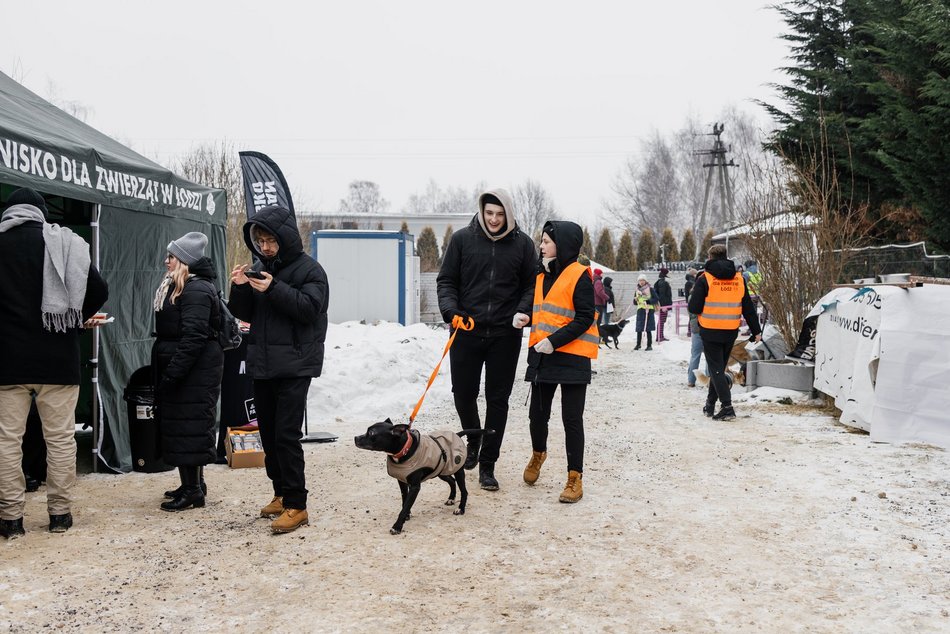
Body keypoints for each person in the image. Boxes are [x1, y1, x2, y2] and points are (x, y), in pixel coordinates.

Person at [0, 187, 108, 539]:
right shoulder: (65, 243)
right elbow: (99, 289)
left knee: (6, 441)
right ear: (41, 212)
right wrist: (74, 318)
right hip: (57, 360)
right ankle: (59, 514)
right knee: (61, 440)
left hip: (7, 362)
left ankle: (11, 518)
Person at [228, 205, 329, 534]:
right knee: (268, 435)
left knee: (286, 435)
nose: (266, 247)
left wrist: (273, 288)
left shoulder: (311, 271)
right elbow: (246, 315)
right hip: (264, 364)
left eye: (271, 240)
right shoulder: (259, 268)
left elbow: (310, 309)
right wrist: (241, 287)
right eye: (260, 241)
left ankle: (297, 505)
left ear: (285, 238)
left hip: (297, 365)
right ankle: (281, 493)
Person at [436, 188, 536, 491]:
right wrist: (451, 311)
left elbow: (532, 284)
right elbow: (446, 281)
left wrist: (523, 310)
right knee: (462, 393)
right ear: (482, 212)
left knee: (497, 400)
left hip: (505, 335)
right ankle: (475, 439)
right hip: (466, 330)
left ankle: (488, 465)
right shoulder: (462, 240)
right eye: (489, 213)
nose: (494, 219)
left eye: (499, 213)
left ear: (508, 214)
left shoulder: (523, 245)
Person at [522, 220, 598, 503]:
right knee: (537, 416)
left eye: (546, 242)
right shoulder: (540, 274)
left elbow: (584, 316)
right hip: (542, 357)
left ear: (562, 245)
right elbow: (533, 303)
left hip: (572, 357)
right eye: (541, 241)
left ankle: (574, 478)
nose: (541, 246)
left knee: (571, 420)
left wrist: (554, 341)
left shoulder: (580, 275)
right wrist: (523, 313)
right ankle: (538, 454)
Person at [152, 232, 225, 512]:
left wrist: (173, 373)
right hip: (190, 368)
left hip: (194, 371)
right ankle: (192, 483)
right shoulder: (185, 286)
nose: (166, 261)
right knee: (186, 426)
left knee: (189, 426)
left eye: (171, 257)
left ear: (184, 261)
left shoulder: (195, 290)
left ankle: (194, 491)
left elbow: (193, 337)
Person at [688, 245, 762, 420]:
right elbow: (748, 308)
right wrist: (756, 330)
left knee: (716, 370)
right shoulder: (738, 279)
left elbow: (694, 307)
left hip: (710, 329)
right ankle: (710, 405)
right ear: (726, 256)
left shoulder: (705, 279)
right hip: (730, 330)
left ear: (710, 257)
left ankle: (727, 407)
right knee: (719, 369)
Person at [632, 274, 657, 351]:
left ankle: (649, 345)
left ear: (645, 281)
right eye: (640, 280)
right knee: (639, 327)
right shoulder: (637, 290)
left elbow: (656, 298)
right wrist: (635, 300)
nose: (641, 282)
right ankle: (638, 344)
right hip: (640, 310)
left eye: (643, 280)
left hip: (648, 310)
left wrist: (649, 301)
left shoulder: (650, 289)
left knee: (648, 328)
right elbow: (635, 302)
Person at [654, 268, 673, 343]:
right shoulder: (663, 283)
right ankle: (660, 336)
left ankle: (660, 336)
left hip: (662, 305)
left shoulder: (659, 282)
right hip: (663, 305)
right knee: (662, 320)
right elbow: (662, 295)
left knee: (661, 320)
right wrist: (664, 306)